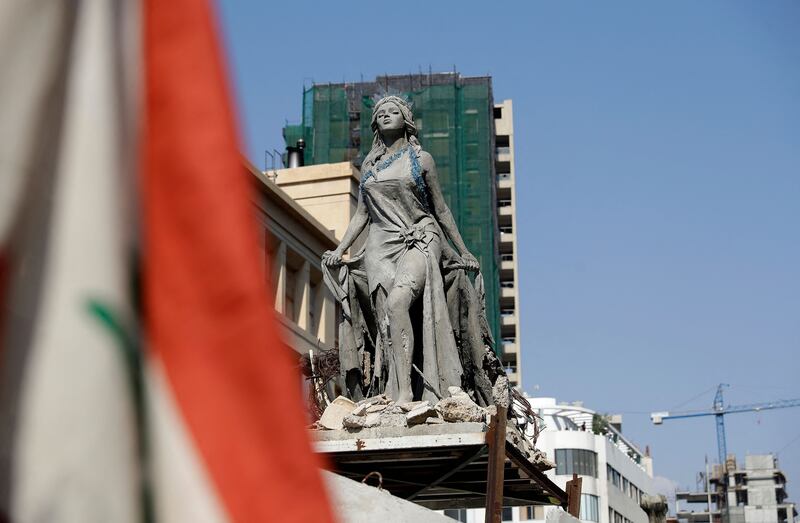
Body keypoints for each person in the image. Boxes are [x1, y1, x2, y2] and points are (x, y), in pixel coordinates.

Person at [323, 95, 497, 404]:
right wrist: (340, 249)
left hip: (419, 238)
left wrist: (463, 250)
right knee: (385, 320)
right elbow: (362, 215)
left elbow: (441, 210)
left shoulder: (422, 159)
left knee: (397, 302)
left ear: (406, 120)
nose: (386, 115)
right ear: (375, 123)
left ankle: (406, 393)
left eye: (393, 111)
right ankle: (396, 389)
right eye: (380, 113)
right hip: (379, 245)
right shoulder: (369, 166)